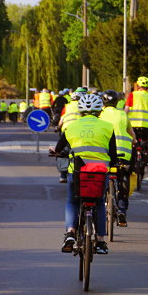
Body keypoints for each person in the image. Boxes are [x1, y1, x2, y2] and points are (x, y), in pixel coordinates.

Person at [50, 93, 118, 255]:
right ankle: (100, 242)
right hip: (99, 175)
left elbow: (59, 148)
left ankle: (70, 233)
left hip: (78, 174)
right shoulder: (107, 127)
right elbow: (113, 156)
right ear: (99, 111)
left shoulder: (71, 127)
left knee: (72, 202)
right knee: (100, 202)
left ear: (80, 111)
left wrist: (55, 152)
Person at [100, 89, 135, 226]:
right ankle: (121, 210)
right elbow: (132, 136)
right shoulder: (123, 115)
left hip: (105, 154)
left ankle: (102, 204)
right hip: (123, 155)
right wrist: (135, 142)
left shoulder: (100, 115)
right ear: (116, 102)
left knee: (102, 180)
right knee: (122, 180)